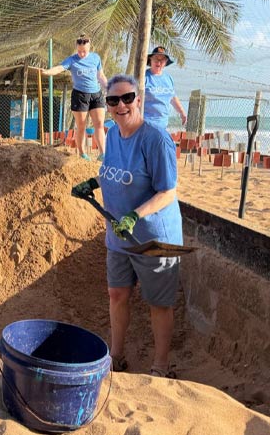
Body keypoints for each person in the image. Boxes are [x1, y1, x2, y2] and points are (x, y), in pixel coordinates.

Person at [72, 74, 183, 378]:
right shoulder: (112, 133)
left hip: (153, 239)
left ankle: (161, 365)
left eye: (127, 98)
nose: (121, 105)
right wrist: (92, 183)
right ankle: (116, 356)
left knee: (158, 303)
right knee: (117, 294)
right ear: (106, 105)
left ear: (138, 99)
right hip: (118, 237)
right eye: (113, 100)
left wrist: (135, 215)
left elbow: (167, 192)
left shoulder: (156, 139)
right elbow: (113, 171)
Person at [36, 33, 108, 161]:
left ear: (89, 47)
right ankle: (82, 153)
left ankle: (103, 154)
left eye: (84, 51)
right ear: (76, 48)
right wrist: (47, 72)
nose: (82, 54)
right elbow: (59, 68)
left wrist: (109, 87)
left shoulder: (96, 58)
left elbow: (101, 76)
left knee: (99, 124)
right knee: (81, 125)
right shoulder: (72, 60)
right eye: (79, 51)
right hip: (80, 95)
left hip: (96, 94)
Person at [144, 46, 187, 131]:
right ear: (151, 59)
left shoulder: (168, 79)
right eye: (156, 58)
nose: (158, 62)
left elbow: (173, 98)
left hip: (162, 125)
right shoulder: (143, 77)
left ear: (165, 62)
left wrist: (182, 113)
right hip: (145, 125)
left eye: (162, 60)